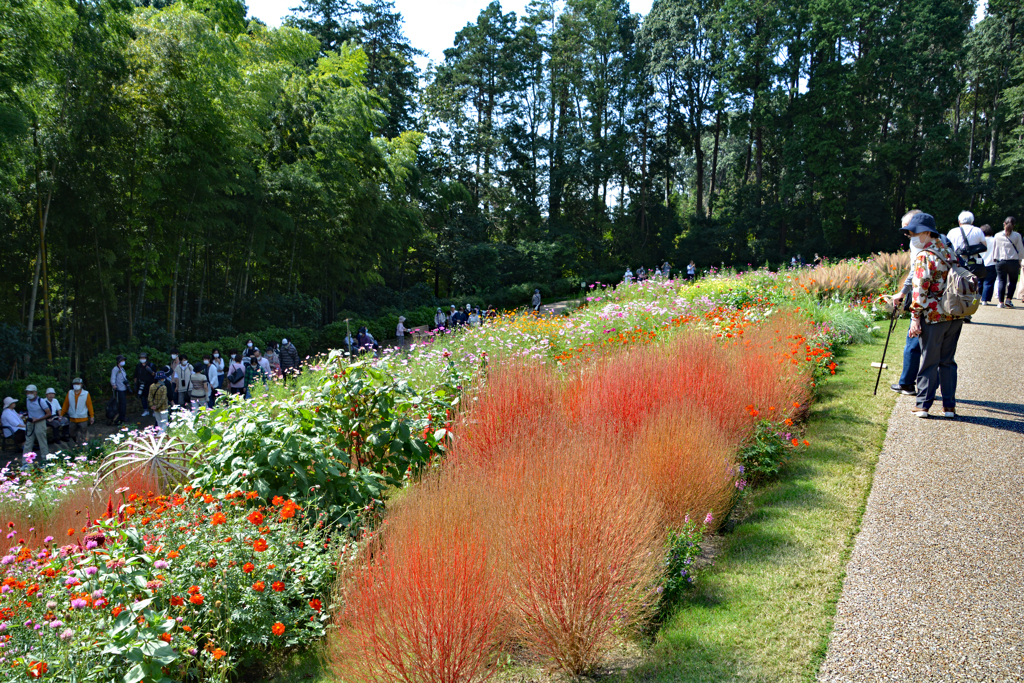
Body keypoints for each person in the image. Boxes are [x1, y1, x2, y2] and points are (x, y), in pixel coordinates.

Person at [902, 212, 964, 418]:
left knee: (929, 359)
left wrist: (915, 318)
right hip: (954, 314)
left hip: (933, 316)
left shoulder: (924, 256)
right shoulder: (949, 252)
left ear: (927, 232)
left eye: (914, 233)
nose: (912, 237)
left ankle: (923, 405)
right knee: (948, 361)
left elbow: (919, 290)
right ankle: (949, 406)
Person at [991, 216, 1023, 308]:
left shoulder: (997, 235)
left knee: (1002, 281)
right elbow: (1020, 250)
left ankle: (1000, 302)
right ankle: (1008, 300)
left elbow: (995, 248)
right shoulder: (1017, 236)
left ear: (1004, 224)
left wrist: (995, 258)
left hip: (1001, 261)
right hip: (1013, 262)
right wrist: (1020, 261)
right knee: (1013, 281)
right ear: (1014, 225)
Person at [22, 384, 50, 466]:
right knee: (28, 442)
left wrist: (38, 419)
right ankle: (25, 462)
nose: (29, 394)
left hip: (39, 422)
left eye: (31, 392)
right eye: (27, 392)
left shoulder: (41, 401)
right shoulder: (27, 400)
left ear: (35, 392)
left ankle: (45, 461)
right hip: (30, 423)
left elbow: (48, 413)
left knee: (42, 442)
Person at [61, 378, 94, 445]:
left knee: (83, 434)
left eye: (78, 384)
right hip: (73, 418)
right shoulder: (70, 393)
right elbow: (66, 404)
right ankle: (78, 443)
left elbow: (89, 405)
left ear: (81, 385)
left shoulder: (86, 393)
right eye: (75, 384)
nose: (76, 385)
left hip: (83, 418)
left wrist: (92, 416)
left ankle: (83, 447)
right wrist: (61, 414)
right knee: (72, 433)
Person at [979, 224, 998, 305]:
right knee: (988, 282)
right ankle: (985, 300)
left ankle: (977, 298)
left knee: (979, 282)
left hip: (980, 263)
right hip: (991, 263)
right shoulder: (994, 240)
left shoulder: (979, 241)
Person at [134, 352, 155, 417]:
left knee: (152, 398)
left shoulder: (151, 365)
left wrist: (150, 371)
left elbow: (155, 374)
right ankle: (145, 410)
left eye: (143, 358)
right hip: (141, 384)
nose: (142, 359)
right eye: (141, 358)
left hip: (150, 384)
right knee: (143, 398)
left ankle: (154, 411)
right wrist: (135, 384)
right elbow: (135, 376)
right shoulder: (138, 366)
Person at [110, 355, 129, 425]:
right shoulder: (115, 369)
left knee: (123, 403)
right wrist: (113, 384)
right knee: (121, 403)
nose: (123, 362)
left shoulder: (122, 369)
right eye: (122, 360)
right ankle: (119, 417)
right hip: (119, 389)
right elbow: (113, 377)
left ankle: (122, 416)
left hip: (124, 388)